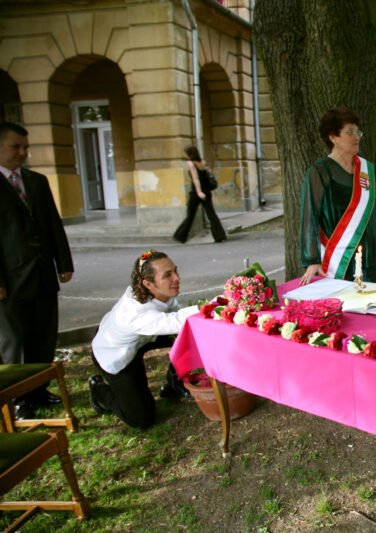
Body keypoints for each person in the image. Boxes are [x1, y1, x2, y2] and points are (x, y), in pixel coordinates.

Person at [0, 122, 74, 420]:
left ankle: (40, 389)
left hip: (42, 275)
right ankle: (19, 399)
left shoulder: (36, 181)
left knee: (44, 336)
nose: (22, 153)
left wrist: (64, 263)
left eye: (25, 147)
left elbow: (53, 224)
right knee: (15, 341)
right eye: (15, 146)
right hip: (9, 281)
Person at [89, 250, 198, 429]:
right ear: (148, 283)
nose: (177, 278)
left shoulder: (151, 290)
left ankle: (173, 384)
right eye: (168, 275)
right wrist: (215, 304)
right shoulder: (134, 313)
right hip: (115, 355)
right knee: (141, 419)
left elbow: (179, 321)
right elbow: (175, 320)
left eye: (175, 271)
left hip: (143, 338)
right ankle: (100, 392)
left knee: (192, 334)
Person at [299, 106, 376, 285]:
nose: (357, 136)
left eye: (358, 131)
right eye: (350, 132)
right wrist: (312, 259)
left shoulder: (367, 169)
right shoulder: (319, 171)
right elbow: (309, 216)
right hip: (338, 258)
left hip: (370, 256)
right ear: (333, 137)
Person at [173, 146, 226, 243]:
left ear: (191, 154)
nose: (186, 156)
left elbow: (195, 178)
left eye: (187, 153)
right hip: (207, 192)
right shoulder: (202, 162)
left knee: (190, 215)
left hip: (197, 193)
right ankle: (220, 236)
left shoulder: (191, 163)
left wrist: (199, 192)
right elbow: (206, 176)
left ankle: (180, 236)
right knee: (211, 215)